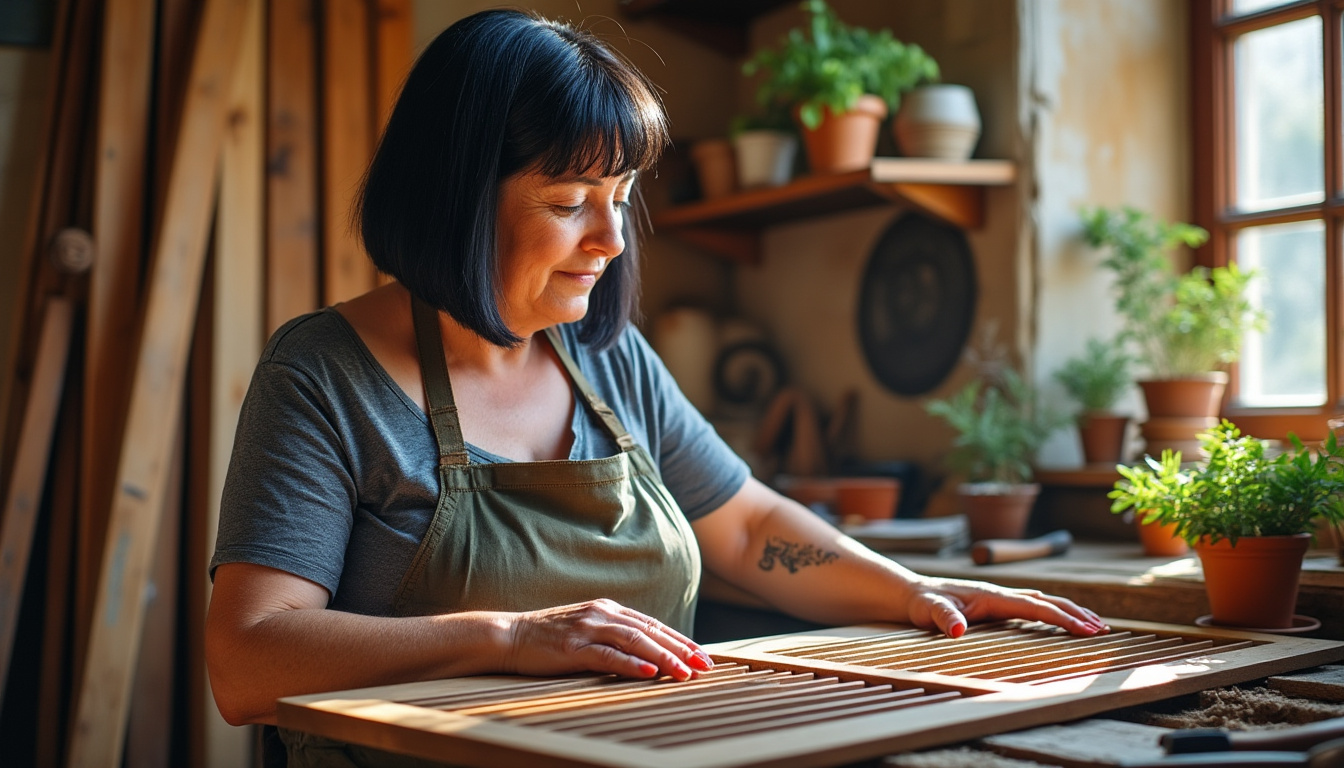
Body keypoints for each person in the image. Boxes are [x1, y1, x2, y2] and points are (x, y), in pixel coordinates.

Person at [205, 8, 1107, 765]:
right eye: (568, 202)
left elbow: (748, 527)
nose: (613, 239)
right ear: (454, 199)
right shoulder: (323, 375)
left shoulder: (607, 357)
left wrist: (913, 592)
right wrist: (510, 638)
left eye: (622, 195)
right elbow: (245, 661)